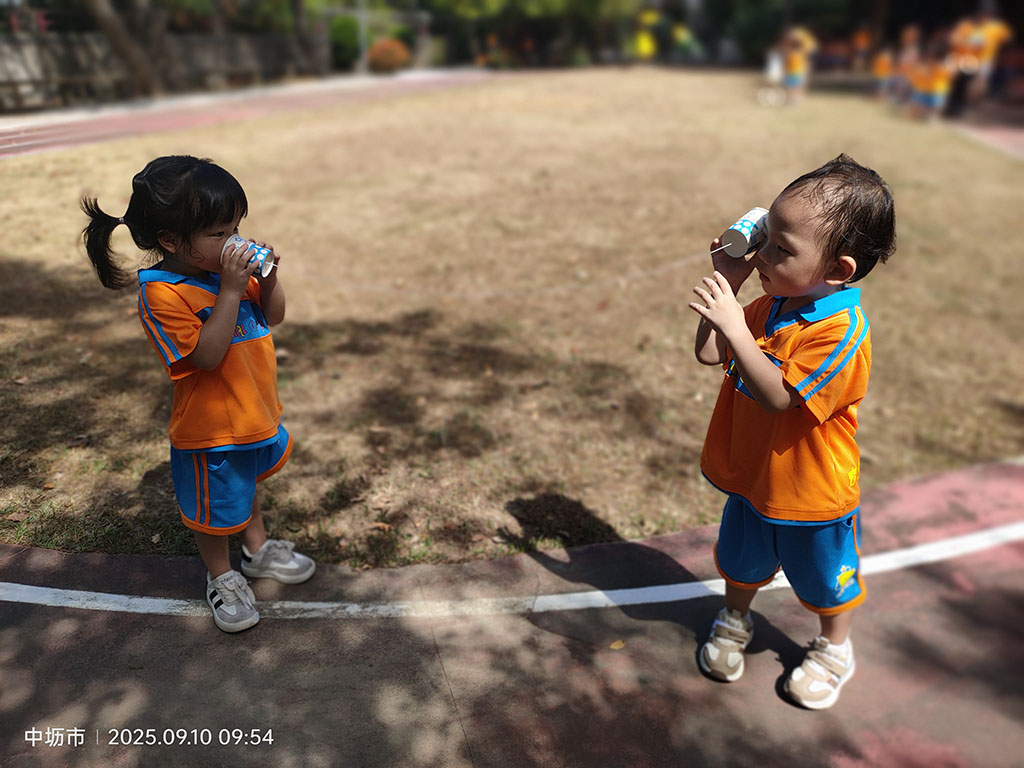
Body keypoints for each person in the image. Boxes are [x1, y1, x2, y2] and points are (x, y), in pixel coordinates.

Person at [688, 154, 896, 709]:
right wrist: (730, 287)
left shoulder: (842, 331)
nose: (762, 255)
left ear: (839, 271)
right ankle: (735, 617)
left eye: (781, 249)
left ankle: (834, 648)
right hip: (754, 477)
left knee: (827, 582)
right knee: (742, 563)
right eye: (766, 238)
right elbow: (708, 353)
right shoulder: (771, 304)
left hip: (813, 494)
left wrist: (736, 325)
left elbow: (778, 396)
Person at [81, 155, 315, 633]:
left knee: (244, 489)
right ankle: (222, 576)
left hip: (252, 414)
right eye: (218, 233)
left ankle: (257, 550)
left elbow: (273, 317)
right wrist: (229, 291)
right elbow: (206, 357)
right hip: (212, 431)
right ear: (171, 241)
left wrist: (268, 279)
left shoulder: (224, 273)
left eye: (236, 228)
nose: (233, 241)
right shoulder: (163, 294)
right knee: (213, 514)